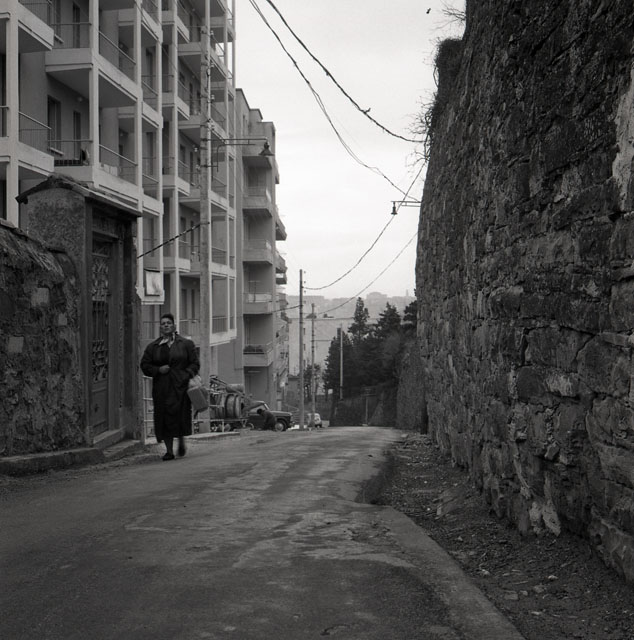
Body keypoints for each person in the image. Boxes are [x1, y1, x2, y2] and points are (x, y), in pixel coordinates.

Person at [141, 313, 200, 460]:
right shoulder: (153, 347)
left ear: (174, 326)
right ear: (160, 327)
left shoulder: (186, 344)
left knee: (179, 415)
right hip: (162, 388)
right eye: (163, 323)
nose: (166, 325)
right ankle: (169, 451)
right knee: (164, 417)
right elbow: (145, 365)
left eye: (168, 323)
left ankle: (181, 439)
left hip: (181, 387)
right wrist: (158, 370)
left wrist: (186, 374)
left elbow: (195, 363)